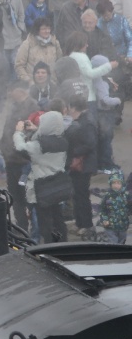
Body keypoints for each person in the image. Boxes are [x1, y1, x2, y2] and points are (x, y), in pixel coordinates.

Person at [14, 111, 69, 243]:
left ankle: (50, 248)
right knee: (58, 219)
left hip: (43, 187)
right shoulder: (63, 141)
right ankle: (63, 245)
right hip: (59, 184)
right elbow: (50, 135)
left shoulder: (40, 145)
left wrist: (18, 132)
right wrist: (36, 129)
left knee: (45, 222)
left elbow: (20, 148)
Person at [0, 81, 39, 232]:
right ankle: (21, 227)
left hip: (24, 161)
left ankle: (35, 230)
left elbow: (32, 135)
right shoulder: (14, 106)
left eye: (12, 90)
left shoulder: (33, 108)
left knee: (28, 196)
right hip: (11, 159)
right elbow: (7, 130)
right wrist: (3, 146)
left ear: (21, 91)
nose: (9, 93)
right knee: (14, 196)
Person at [64, 96, 99, 240]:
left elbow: (90, 144)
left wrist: (72, 152)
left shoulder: (87, 122)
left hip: (83, 165)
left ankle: (86, 224)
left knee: (82, 195)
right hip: (80, 164)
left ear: (73, 108)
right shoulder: (83, 120)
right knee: (77, 194)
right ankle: (79, 222)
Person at [92, 55, 121, 174]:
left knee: (101, 140)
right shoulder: (100, 82)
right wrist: (118, 100)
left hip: (97, 113)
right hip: (104, 114)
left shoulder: (96, 79)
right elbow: (105, 100)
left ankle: (100, 163)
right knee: (106, 140)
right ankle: (106, 165)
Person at [96, 170, 129, 244]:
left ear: (122, 184)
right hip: (110, 226)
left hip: (123, 225)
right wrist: (105, 219)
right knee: (113, 242)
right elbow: (102, 209)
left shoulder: (126, 196)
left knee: (122, 242)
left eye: (118, 183)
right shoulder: (107, 196)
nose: (116, 185)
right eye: (114, 183)